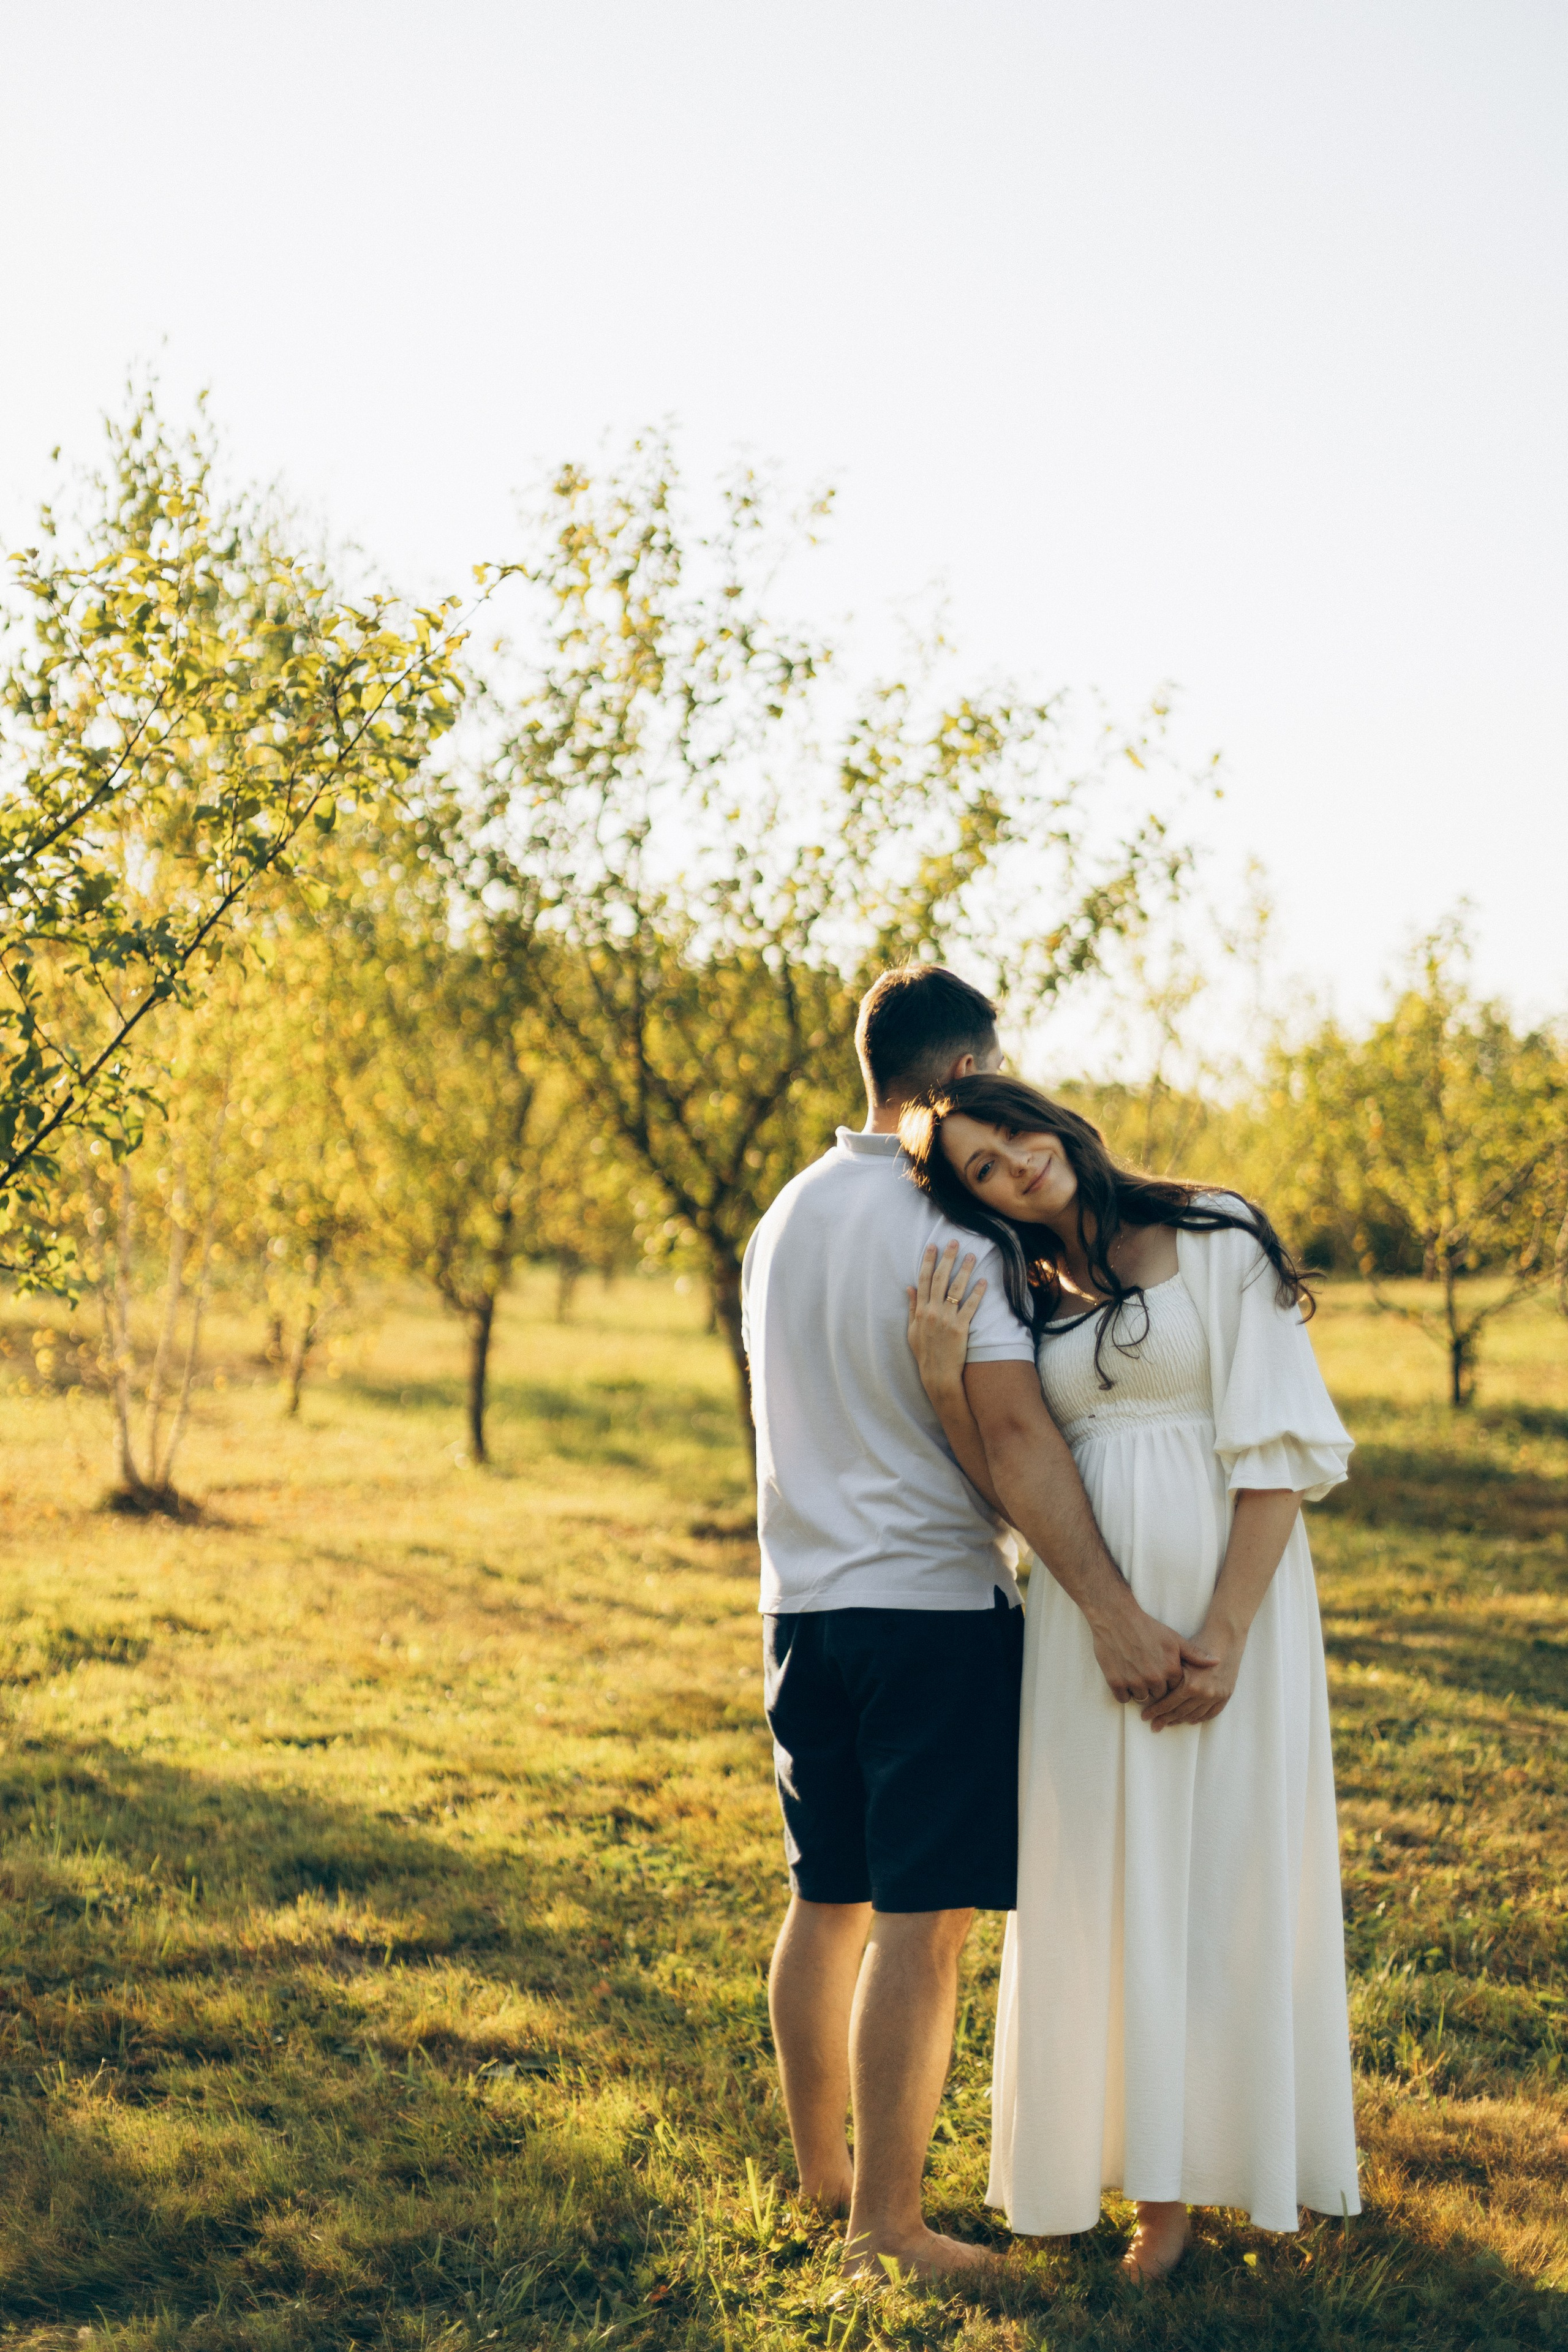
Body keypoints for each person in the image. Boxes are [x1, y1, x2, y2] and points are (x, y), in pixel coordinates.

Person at [741, 970, 1215, 2281]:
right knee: (923, 1919)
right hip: (925, 1607)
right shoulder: (943, 1223)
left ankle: (823, 2183)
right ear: (963, 1073)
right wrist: (1112, 1613)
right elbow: (1012, 1435)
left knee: (822, 1895)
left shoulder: (783, 1213)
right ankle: (885, 2232)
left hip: (799, 1606)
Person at [900, 1072, 1360, 2280]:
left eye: (1008, 1135)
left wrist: (1221, 1631)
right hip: (1084, 1631)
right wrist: (946, 1377)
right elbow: (1008, 1475)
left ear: (1048, 1117)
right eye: (979, 1172)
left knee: (1220, 1871)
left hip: (1233, 1611)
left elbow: (1274, 1455)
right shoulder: (1020, 1293)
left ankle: (1233, 2160)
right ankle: (1145, 2192)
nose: (1010, 1166)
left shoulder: (1214, 1232)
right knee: (1105, 1881)